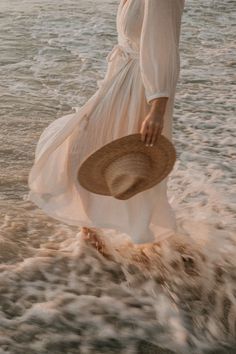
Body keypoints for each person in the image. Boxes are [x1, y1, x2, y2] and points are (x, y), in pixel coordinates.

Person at [28, 0, 185, 257]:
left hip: (142, 91)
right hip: (119, 81)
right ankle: (92, 234)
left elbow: (163, 48)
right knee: (79, 146)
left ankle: (151, 245)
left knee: (127, 162)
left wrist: (157, 108)